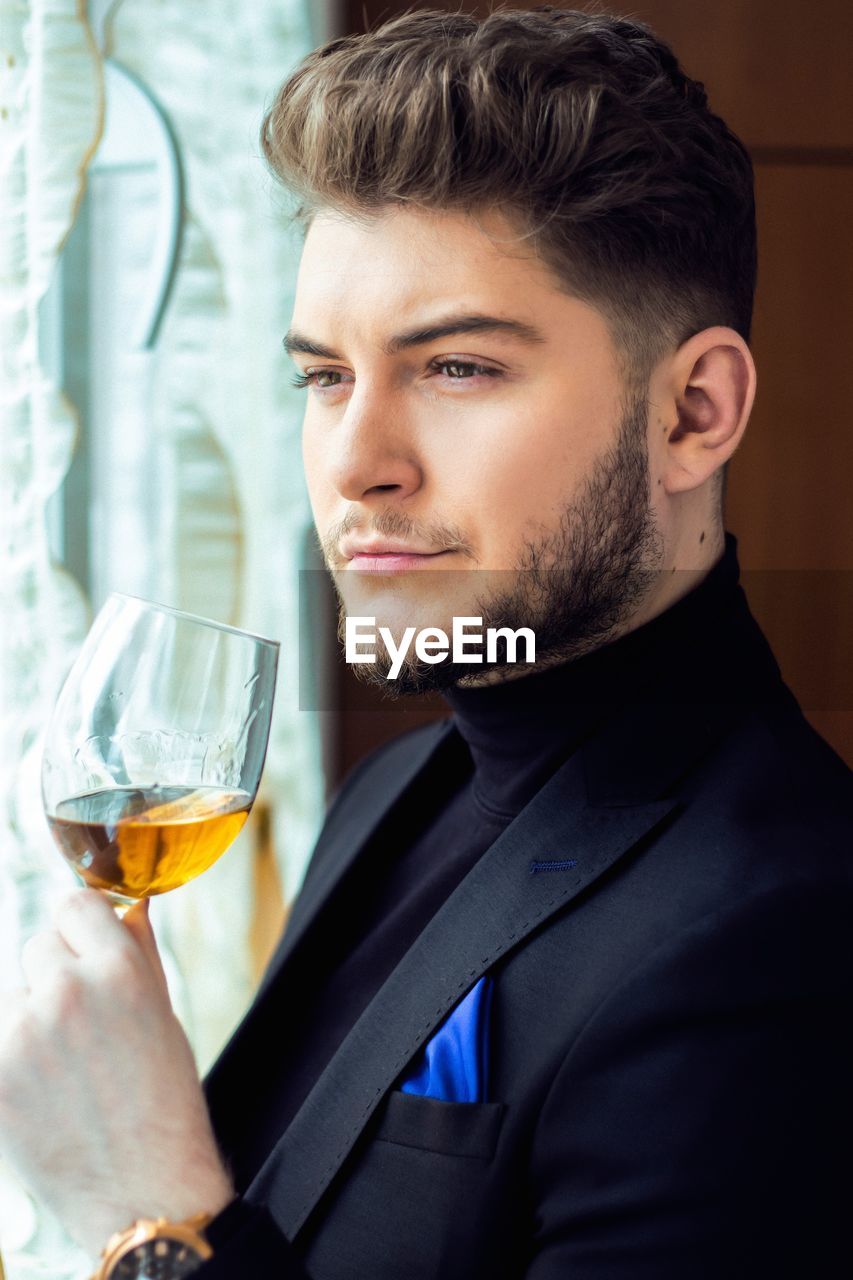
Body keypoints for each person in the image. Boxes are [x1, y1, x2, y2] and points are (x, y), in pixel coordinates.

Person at [0, 8, 851, 1278]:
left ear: (695, 410)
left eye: (453, 368)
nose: (354, 465)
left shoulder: (782, 936)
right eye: (323, 377)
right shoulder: (393, 787)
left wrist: (145, 1216)